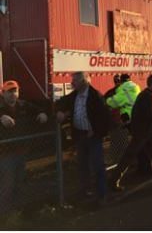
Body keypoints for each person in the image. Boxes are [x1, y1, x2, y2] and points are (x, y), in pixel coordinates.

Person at [110, 74, 152, 191]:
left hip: (144, 132)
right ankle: (112, 181)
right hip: (141, 133)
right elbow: (149, 115)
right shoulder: (146, 96)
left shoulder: (146, 95)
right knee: (129, 157)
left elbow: (146, 114)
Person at [56, 72, 110, 204]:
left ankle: (101, 194)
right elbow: (61, 102)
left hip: (92, 137)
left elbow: (104, 117)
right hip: (80, 135)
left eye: (75, 80)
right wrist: (60, 111)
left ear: (84, 81)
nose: (72, 83)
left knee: (97, 165)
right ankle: (85, 192)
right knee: (82, 165)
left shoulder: (95, 96)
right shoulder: (74, 96)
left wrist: (96, 131)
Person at [0, 80, 49, 212]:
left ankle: (17, 210)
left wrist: (42, 113)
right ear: (2, 93)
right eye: (9, 91)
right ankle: (4, 214)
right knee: (7, 184)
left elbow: (40, 109)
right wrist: (1, 117)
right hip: (5, 153)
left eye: (15, 91)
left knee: (19, 181)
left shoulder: (23, 105)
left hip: (21, 151)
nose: (12, 94)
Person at [105, 74, 151, 173]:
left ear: (121, 81)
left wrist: (106, 100)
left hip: (130, 120)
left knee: (135, 146)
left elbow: (113, 102)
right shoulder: (136, 87)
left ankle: (135, 168)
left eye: (118, 81)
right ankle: (145, 167)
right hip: (139, 118)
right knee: (142, 144)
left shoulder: (123, 90)